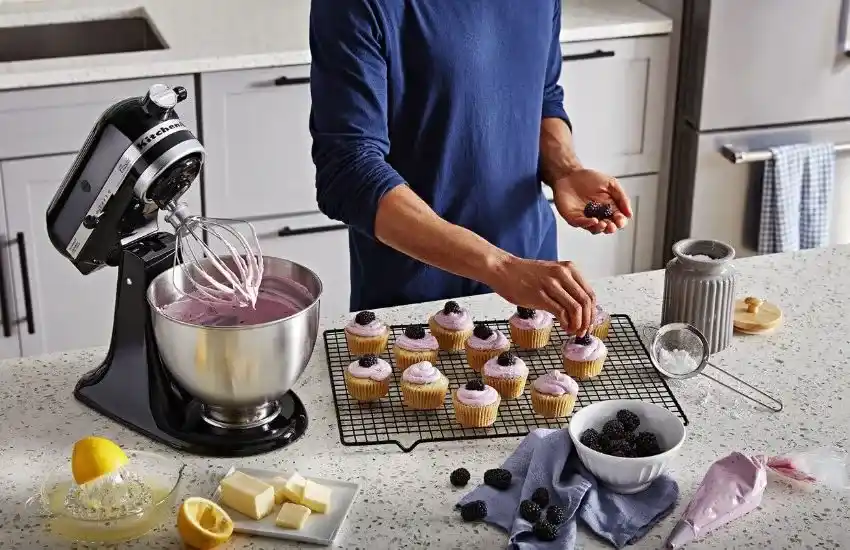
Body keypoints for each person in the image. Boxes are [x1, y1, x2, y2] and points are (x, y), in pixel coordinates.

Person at [308, 0, 632, 336]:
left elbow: (543, 94)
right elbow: (348, 171)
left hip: (533, 288)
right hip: (412, 306)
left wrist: (565, 169)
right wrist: (501, 267)